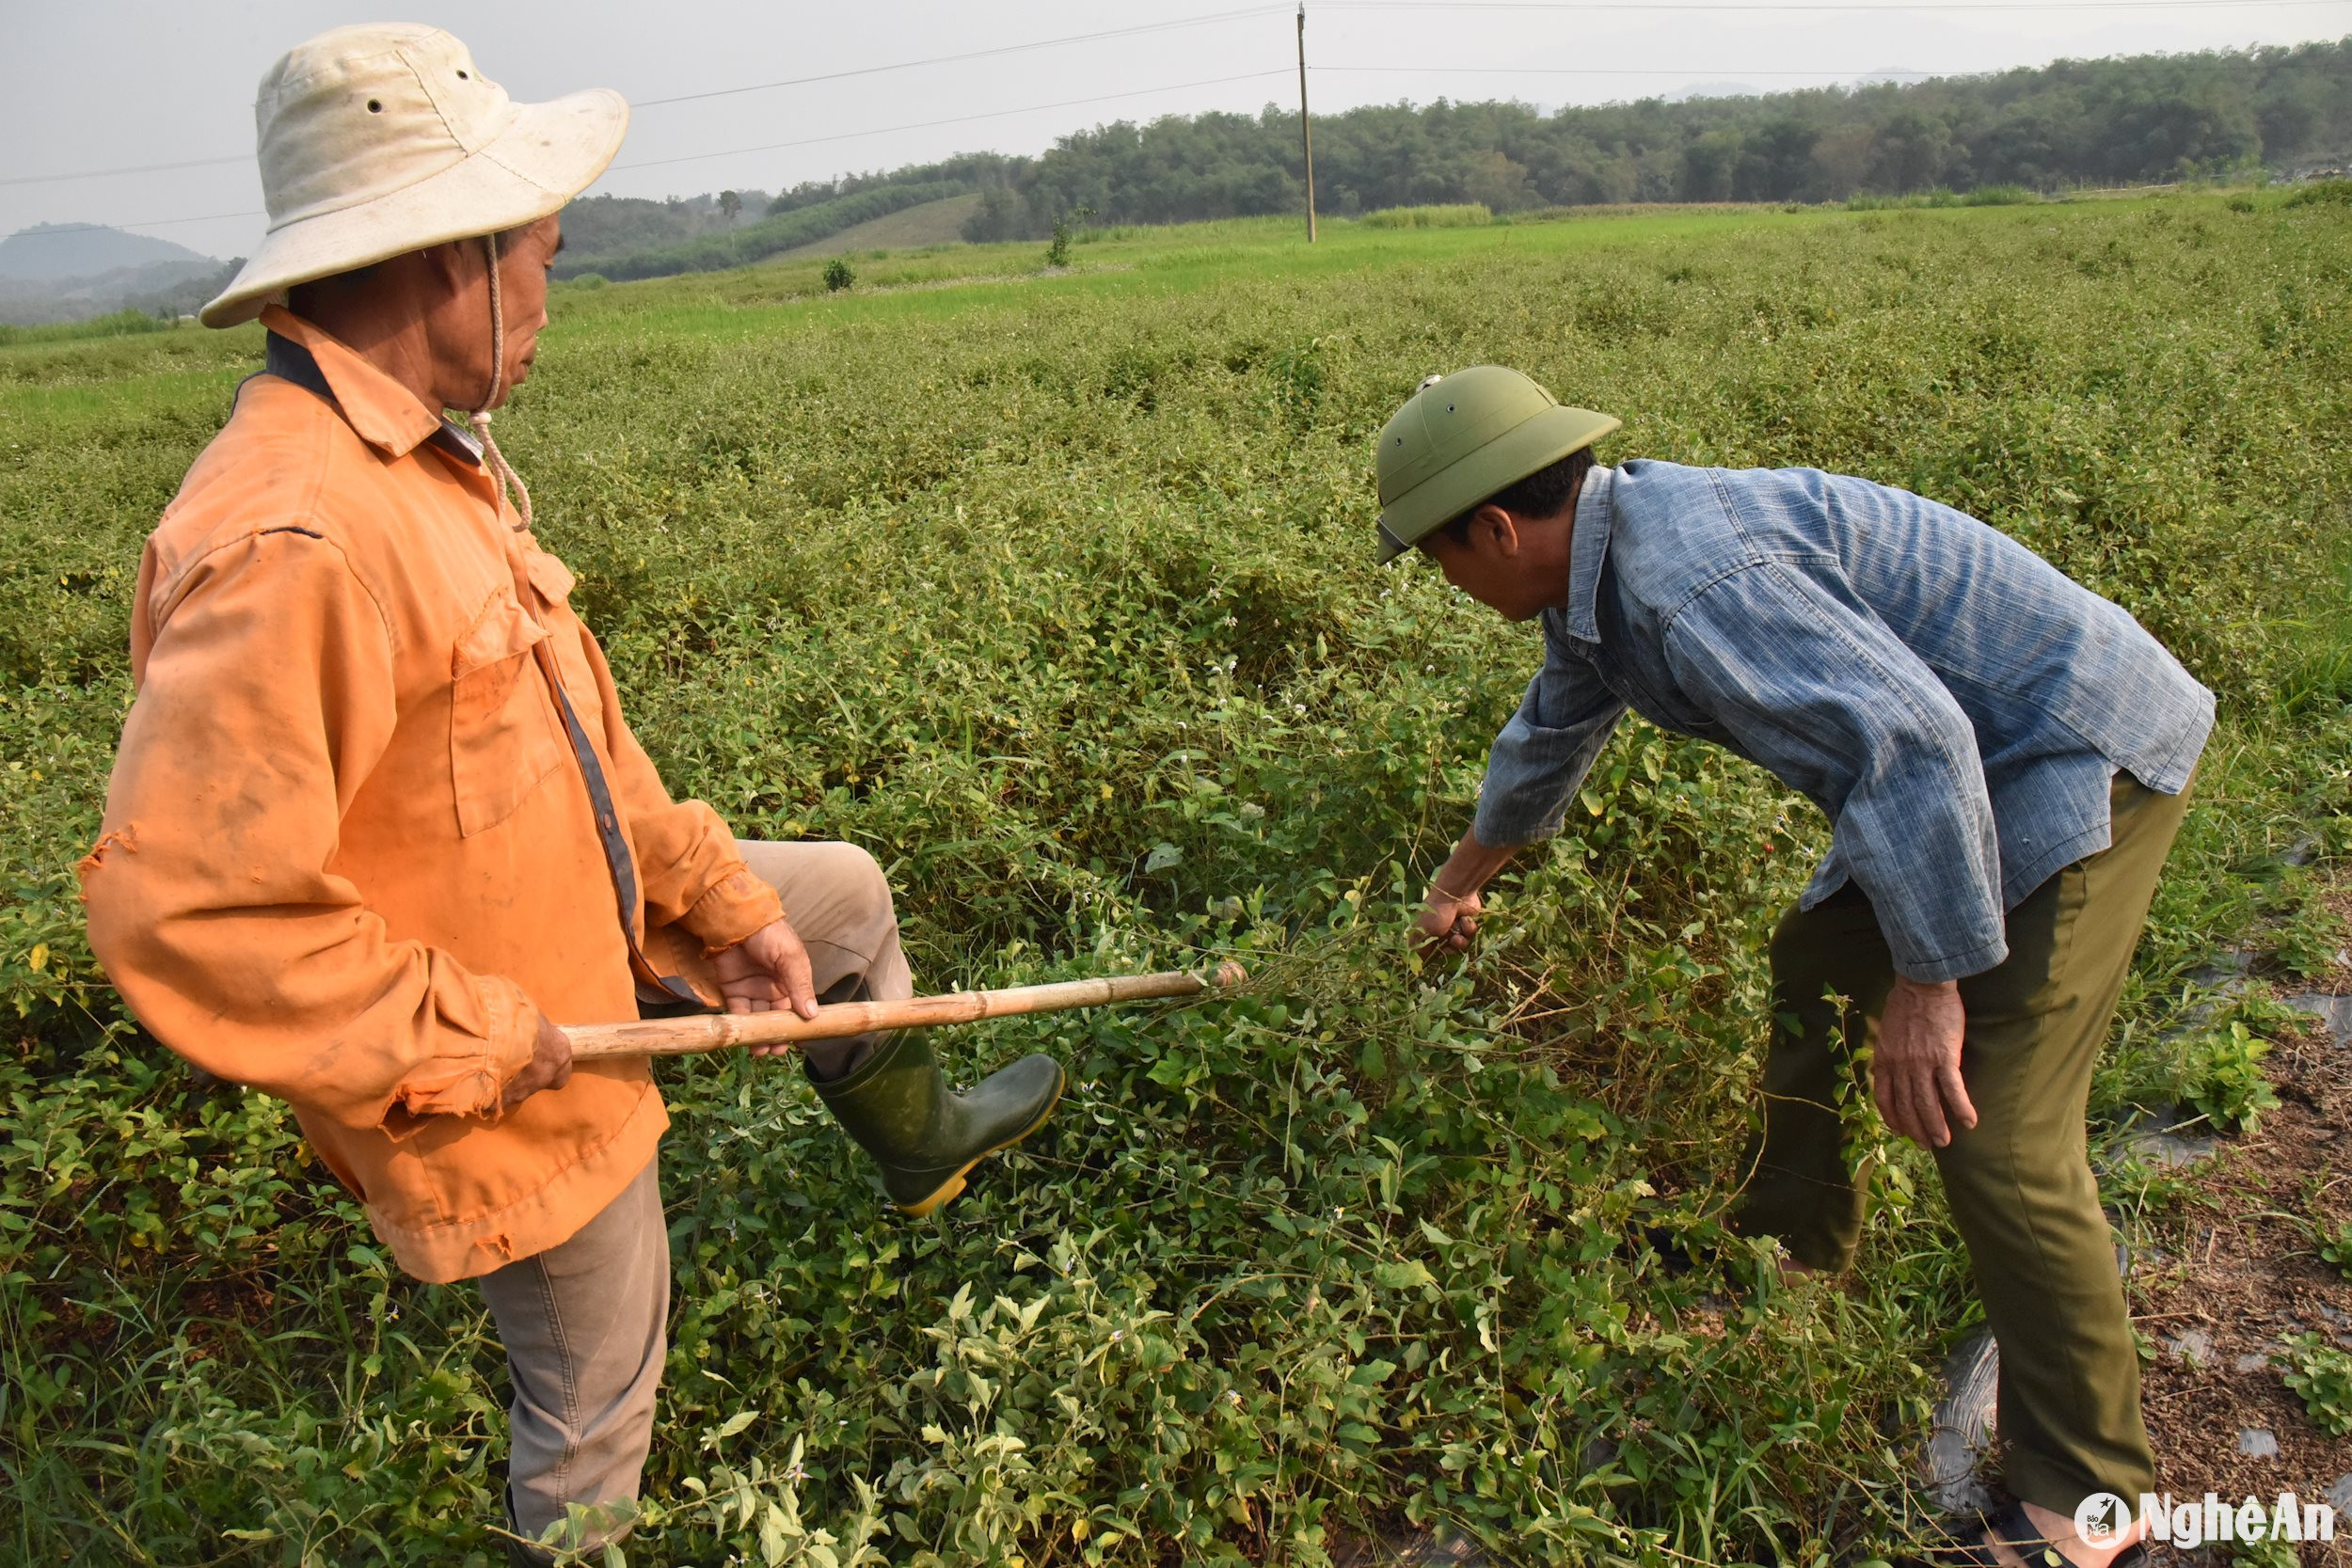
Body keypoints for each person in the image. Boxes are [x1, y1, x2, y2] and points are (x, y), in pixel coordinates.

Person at [76, 25, 1062, 1560]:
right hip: (501, 1064)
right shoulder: (298, 541)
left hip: (582, 924)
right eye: (540, 252)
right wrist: (482, 1035)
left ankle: (916, 1133)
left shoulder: (428, 469)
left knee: (843, 894)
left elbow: (574, 748)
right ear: (443, 258)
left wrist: (720, 901)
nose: (549, 290)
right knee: (599, 1394)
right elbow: (192, 907)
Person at [1375, 367, 2211, 1568]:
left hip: (2073, 748)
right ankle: (1787, 1247)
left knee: (1999, 1132)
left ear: (1497, 528)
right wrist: (1460, 880)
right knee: (1817, 953)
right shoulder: (1596, 574)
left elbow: (1914, 741)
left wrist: (1931, 983)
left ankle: (2090, 1502)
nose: (1445, 586)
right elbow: (1548, 733)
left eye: (1437, 558)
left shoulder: (1689, 583)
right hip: (1963, 757)